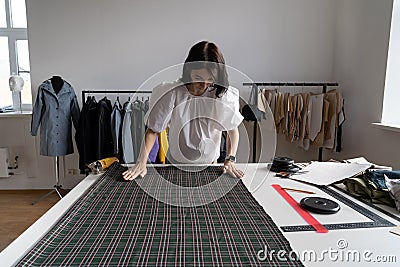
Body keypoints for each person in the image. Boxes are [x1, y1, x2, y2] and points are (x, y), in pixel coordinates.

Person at [123, 41, 244, 180]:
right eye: (198, 78)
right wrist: (141, 162)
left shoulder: (220, 94)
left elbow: (232, 130)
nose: (204, 85)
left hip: (210, 165)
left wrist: (230, 159)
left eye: (210, 79)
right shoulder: (172, 93)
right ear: (188, 70)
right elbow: (153, 130)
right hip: (175, 165)